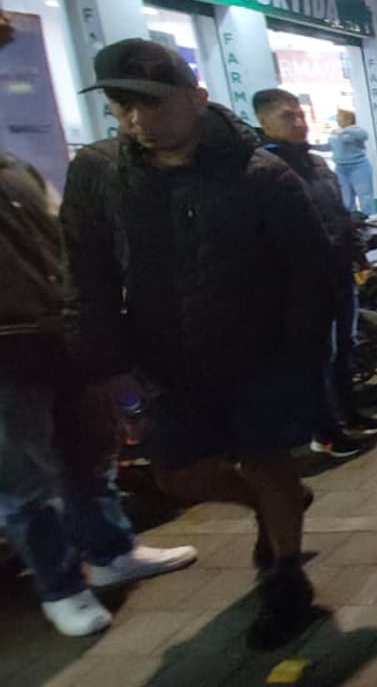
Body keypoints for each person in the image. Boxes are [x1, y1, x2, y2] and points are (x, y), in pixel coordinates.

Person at [61, 39, 332, 650]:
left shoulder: (261, 173)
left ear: (195, 97)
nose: (137, 119)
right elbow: (87, 274)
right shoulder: (99, 172)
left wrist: (301, 354)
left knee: (268, 463)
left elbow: (313, 270)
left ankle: (285, 577)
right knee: (178, 474)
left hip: (261, 355)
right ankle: (275, 506)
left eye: (152, 103)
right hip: (165, 358)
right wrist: (107, 366)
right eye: (122, 104)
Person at [1, 151, 197, 637]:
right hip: (6, 355)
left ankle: (112, 552)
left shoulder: (15, 169)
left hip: (60, 338)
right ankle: (62, 588)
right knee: (28, 486)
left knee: (90, 459)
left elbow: (68, 242)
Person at [252, 89, 377, 459]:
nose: (298, 123)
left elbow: (338, 215)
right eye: (287, 117)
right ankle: (325, 432)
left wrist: (358, 254)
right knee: (316, 357)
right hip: (300, 283)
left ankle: (348, 416)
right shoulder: (262, 169)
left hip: (337, 273)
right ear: (264, 121)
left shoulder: (316, 163)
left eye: (300, 115)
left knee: (344, 349)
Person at [318, 109, 375, 213]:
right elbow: (329, 147)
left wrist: (345, 130)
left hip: (358, 167)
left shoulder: (357, 130)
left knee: (365, 195)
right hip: (340, 168)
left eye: (339, 117)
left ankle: (369, 218)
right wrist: (311, 146)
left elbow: (364, 135)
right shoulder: (335, 132)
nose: (337, 120)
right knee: (346, 197)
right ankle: (351, 220)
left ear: (348, 119)